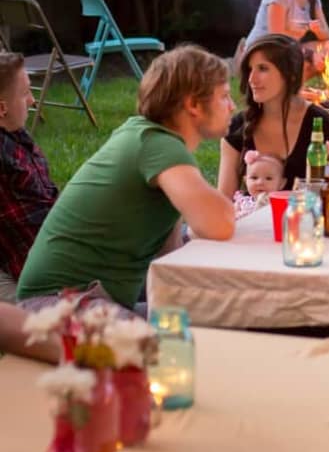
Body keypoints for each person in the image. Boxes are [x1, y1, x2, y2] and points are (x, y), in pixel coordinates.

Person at [17, 45, 236, 310]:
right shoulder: (159, 145)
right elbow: (219, 223)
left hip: (78, 297)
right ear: (193, 105)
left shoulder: (146, 136)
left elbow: (170, 256)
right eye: (224, 96)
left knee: (205, 314)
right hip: (59, 303)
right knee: (194, 327)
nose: (233, 106)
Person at [218, 33, 329, 195]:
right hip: (252, 213)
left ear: (290, 75)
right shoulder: (236, 127)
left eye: (263, 68)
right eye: (250, 69)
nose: (251, 79)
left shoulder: (320, 124)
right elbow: (224, 200)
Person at [0, 52, 58, 302]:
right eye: (25, 94)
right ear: (2, 108)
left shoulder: (17, 136)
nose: (33, 101)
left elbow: (48, 199)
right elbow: (32, 227)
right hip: (42, 274)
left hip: (60, 253)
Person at [233, 150, 286, 220]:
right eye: (254, 178)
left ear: (281, 183)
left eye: (268, 178)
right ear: (246, 180)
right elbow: (230, 218)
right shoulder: (242, 201)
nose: (260, 182)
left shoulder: (279, 204)